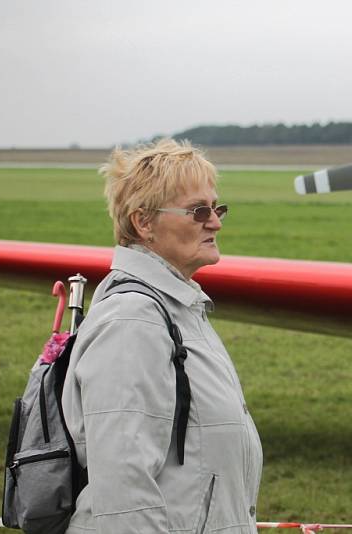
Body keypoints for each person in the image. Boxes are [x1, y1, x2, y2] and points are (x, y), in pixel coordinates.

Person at [61, 139, 263, 533]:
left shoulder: (175, 306)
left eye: (217, 208)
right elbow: (123, 486)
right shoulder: (132, 321)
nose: (216, 222)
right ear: (144, 223)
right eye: (198, 211)